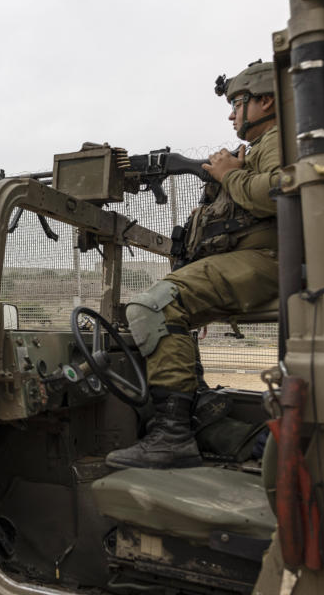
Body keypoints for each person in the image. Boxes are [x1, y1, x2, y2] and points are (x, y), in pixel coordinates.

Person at [105, 60, 281, 470]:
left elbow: (277, 193)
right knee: (165, 304)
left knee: (154, 306)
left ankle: (171, 436)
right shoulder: (265, 146)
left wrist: (228, 175)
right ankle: (192, 413)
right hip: (255, 259)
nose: (231, 114)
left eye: (238, 103)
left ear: (266, 100)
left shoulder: (277, 140)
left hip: (266, 261)